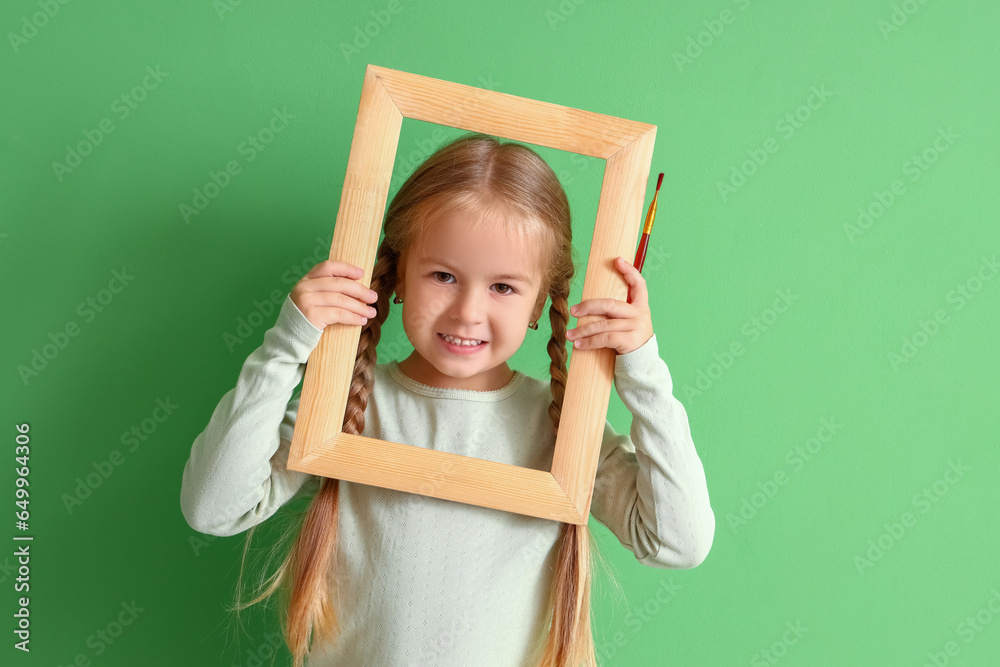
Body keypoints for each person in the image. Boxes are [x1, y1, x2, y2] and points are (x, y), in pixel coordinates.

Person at [180, 132, 714, 667]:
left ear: (539, 305)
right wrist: (285, 346)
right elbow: (215, 508)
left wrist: (642, 367)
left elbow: (677, 542)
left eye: (503, 287)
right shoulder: (349, 408)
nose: (466, 312)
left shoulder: (558, 430)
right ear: (399, 278)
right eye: (443, 275)